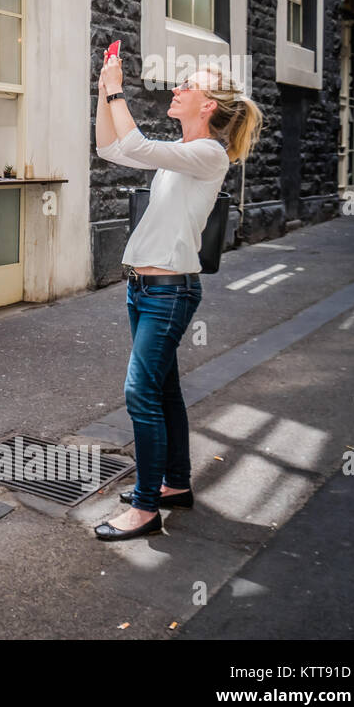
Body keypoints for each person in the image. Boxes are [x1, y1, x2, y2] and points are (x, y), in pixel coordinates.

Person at [92, 52, 263, 541]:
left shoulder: (209, 154)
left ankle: (145, 508)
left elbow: (133, 143)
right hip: (143, 290)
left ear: (208, 105)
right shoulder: (179, 154)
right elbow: (111, 148)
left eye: (188, 85)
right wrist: (103, 90)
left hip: (169, 294)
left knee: (139, 393)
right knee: (163, 391)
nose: (177, 88)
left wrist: (117, 90)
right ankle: (176, 484)